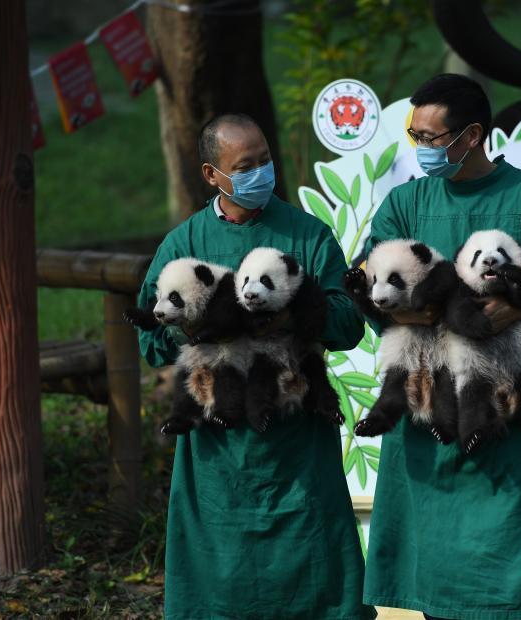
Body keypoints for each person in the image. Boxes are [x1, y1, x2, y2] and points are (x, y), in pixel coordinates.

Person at [361, 74, 521, 620]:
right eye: (414, 135)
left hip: (514, 408)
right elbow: (368, 281)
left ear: (471, 136)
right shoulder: (404, 204)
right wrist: (427, 313)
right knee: (442, 588)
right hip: (428, 409)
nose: (420, 148)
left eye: (430, 137)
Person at [136, 113, 375, 620]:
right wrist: (192, 325)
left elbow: (350, 323)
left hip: (298, 444)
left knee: (313, 577)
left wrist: (293, 314)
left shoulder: (307, 236)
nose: (260, 172)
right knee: (219, 584)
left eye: (265, 160)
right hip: (215, 451)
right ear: (211, 175)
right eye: (245, 166)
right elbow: (150, 340)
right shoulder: (184, 244)